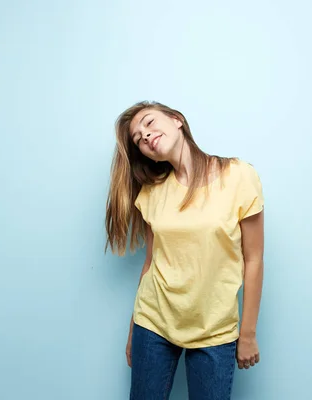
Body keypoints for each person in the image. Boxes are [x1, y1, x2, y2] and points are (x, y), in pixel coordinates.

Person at [105, 101, 265, 400]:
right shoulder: (152, 193)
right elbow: (151, 263)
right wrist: (133, 332)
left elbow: (254, 258)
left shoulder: (239, 176)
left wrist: (248, 334)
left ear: (177, 120)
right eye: (138, 139)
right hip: (153, 324)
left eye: (149, 123)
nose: (145, 136)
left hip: (214, 330)